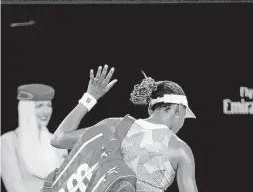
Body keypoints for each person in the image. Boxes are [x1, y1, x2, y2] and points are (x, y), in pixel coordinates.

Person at [51, 65, 198, 192]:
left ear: (150, 109)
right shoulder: (180, 150)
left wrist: (89, 97)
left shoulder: (114, 125)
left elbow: (59, 139)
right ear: (178, 109)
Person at [1, 84, 68, 192]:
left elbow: (65, 182)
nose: (46, 111)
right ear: (26, 108)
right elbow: (14, 187)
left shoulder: (57, 141)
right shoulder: (8, 141)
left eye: (49, 105)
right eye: (39, 106)